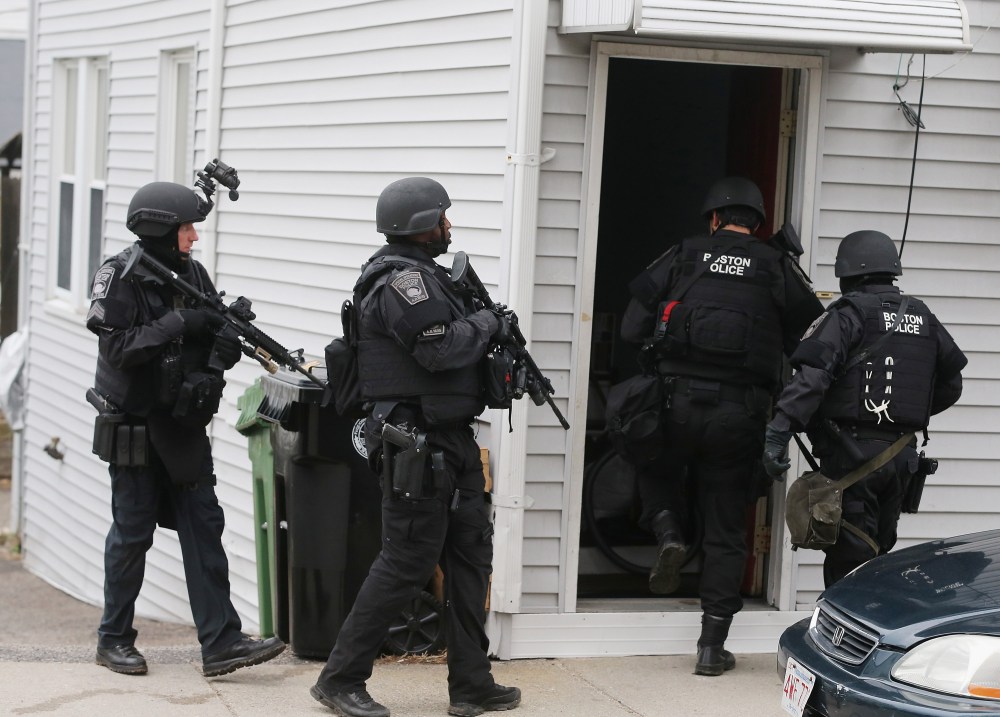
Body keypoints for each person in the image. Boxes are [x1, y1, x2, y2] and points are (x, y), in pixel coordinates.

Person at [310, 177, 520, 717]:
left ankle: (472, 684)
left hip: (450, 440)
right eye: (442, 218)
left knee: (472, 557)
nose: (449, 226)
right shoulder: (400, 282)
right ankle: (340, 679)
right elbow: (439, 350)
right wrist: (487, 322)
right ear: (419, 225)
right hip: (414, 444)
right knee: (405, 561)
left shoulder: (433, 277)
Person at [620, 176, 823, 676]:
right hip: (741, 413)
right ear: (756, 223)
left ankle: (667, 526)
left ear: (713, 219)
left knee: (650, 459)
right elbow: (812, 342)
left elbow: (630, 329)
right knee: (728, 525)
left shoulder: (684, 254)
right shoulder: (777, 266)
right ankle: (711, 646)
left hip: (675, 404)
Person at [86, 181, 286, 677]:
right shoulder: (120, 275)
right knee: (132, 535)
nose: (195, 237)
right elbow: (120, 350)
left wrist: (222, 341)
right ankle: (114, 640)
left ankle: (221, 643)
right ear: (160, 229)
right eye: (187, 227)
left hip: (180, 426)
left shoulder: (190, 273)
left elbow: (205, 332)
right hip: (134, 426)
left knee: (204, 528)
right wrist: (181, 323)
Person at [762, 229, 967, 587]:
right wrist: (904, 413)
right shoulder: (923, 316)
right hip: (902, 456)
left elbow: (812, 377)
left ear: (847, 275)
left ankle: (842, 639)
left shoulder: (847, 315)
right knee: (879, 551)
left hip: (852, 454)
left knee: (849, 560)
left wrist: (780, 429)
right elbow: (952, 384)